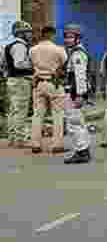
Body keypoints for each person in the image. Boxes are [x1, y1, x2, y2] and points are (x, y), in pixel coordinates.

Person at [29, 26, 67, 156]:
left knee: (38, 114)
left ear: (42, 34)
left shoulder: (32, 50)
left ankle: (35, 144)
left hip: (38, 83)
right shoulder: (59, 50)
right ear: (52, 35)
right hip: (53, 83)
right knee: (57, 114)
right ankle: (57, 145)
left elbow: (31, 64)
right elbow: (63, 63)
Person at [61, 24, 95, 164]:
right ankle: (83, 150)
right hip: (74, 91)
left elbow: (80, 76)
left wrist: (80, 95)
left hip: (75, 93)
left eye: (71, 37)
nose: (67, 40)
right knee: (78, 122)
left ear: (77, 38)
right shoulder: (75, 52)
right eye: (66, 37)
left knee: (74, 123)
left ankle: (81, 151)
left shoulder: (77, 54)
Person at [4, 21, 34, 148]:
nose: (30, 35)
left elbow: (4, 64)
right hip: (20, 80)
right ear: (21, 33)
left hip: (12, 80)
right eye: (28, 32)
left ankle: (12, 137)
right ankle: (20, 138)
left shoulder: (9, 45)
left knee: (13, 110)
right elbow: (19, 64)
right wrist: (33, 67)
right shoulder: (20, 46)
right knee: (21, 110)